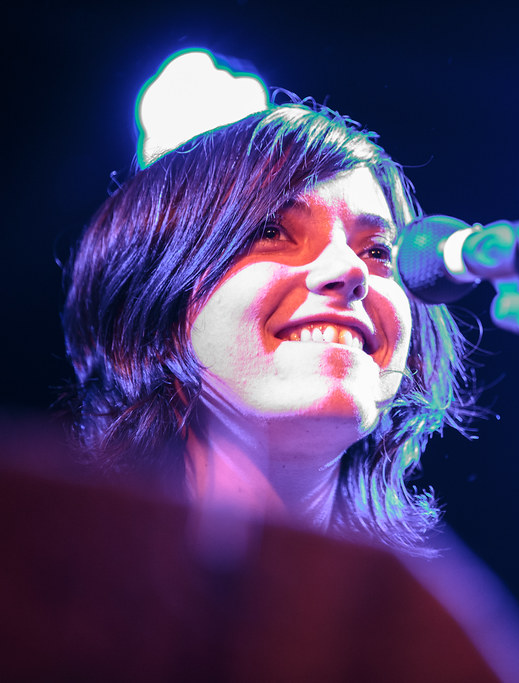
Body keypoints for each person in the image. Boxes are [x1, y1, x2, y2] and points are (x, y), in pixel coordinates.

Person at [62, 97, 476, 555]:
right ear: (154, 316)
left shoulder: (424, 599)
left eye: (377, 251)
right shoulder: (43, 578)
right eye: (272, 232)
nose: (351, 269)